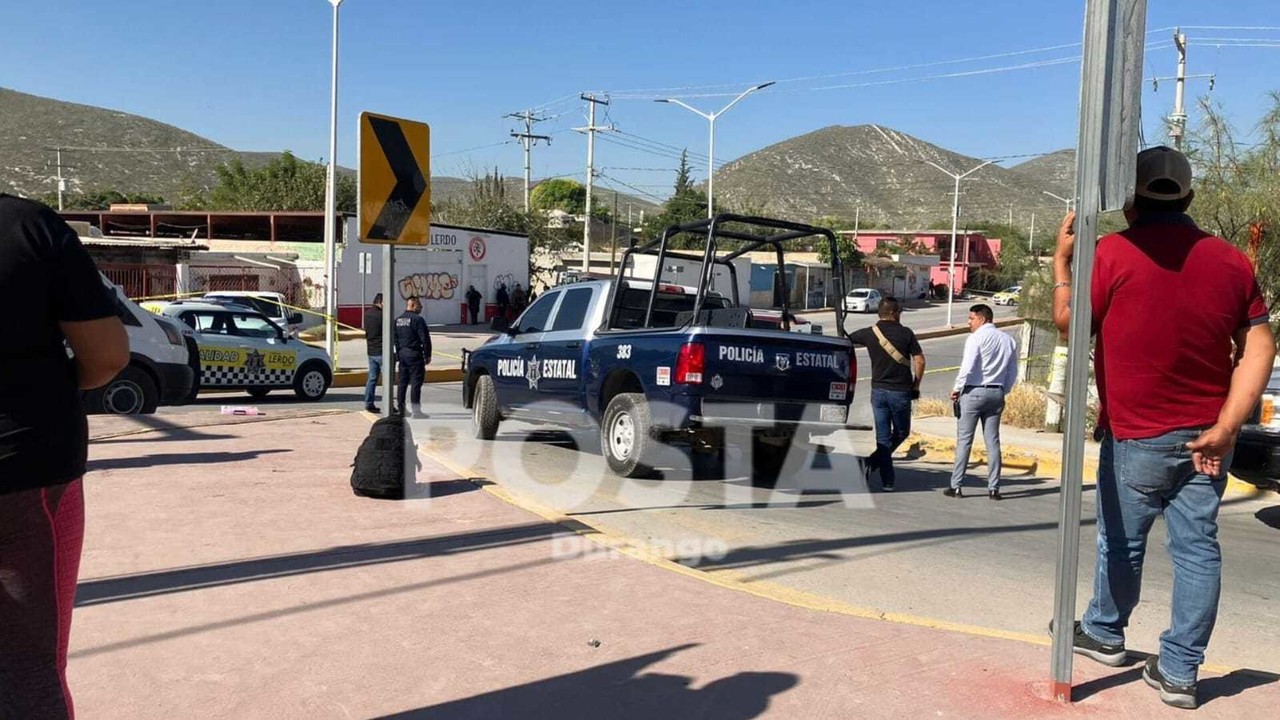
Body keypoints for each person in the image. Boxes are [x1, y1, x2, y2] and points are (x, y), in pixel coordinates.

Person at [1051, 146, 1274, 710]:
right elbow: (1258, 347)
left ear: (1130, 201)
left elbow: (1068, 329)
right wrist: (1227, 427)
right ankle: (1179, 673)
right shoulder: (1228, 260)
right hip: (1209, 438)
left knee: (1122, 544)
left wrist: (1061, 267)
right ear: (1190, 197)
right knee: (1199, 551)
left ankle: (1104, 634)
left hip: (1137, 437)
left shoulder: (1112, 252)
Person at [1, 194, 130, 718]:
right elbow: (107, 355)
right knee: (27, 668)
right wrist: (59, 387)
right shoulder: (27, 227)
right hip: (22, 471)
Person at [848, 298, 925, 492]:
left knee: (882, 438)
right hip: (900, 392)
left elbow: (847, 338)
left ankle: (881, 475)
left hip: (878, 392)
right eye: (899, 311)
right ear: (894, 312)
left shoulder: (869, 333)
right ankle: (879, 472)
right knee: (901, 432)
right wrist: (916, 385)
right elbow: (920, 361)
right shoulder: (906, 333)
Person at [945, 303, 1017, 500]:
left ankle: (956, 485)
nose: (969, 322)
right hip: (996, 393)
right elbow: (1012, 371)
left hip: (974, 392)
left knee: (965, 440)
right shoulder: (1008, 340)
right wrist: (1004, 390)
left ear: (983, 319)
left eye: (972, 318)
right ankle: (994, 488)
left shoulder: (975, 338)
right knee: (992, 441)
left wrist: (957, 389)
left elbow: (967, 367)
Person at [394, 296, 432, 417]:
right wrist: (428, 354)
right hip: (415, 354)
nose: (421, 308)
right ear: (412, 305)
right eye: (419, 305)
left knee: (402, 383)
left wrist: (399, 353)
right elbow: (425, 338)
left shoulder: (398, 320)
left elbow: (395, 339)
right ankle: (416, 411)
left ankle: (401, 408)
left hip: (402, 354)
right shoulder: (418, 320)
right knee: (416, 383)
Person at [362, 293, 384, 414]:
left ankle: (368, 403)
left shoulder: (367, 314)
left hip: (371, 351)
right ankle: (389, 404)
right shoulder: (382, 315)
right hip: (382, 350)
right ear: (381, 302)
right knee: (388, 379)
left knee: (372, 378)